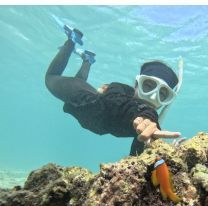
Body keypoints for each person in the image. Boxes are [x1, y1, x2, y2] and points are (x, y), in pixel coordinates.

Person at [45, 25, 183, 156]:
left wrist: (167, 154)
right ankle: (71, 40)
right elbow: (120, 105)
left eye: (163, 94)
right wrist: (149, 114)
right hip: (80, 97)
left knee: (79, 80)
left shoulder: (149, 127)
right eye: (148, 85)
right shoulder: (120, 90)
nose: (153, 97)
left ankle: (87, 60)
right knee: (50, 78)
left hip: (92, 108)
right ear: (136, 84)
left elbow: (137, 158)